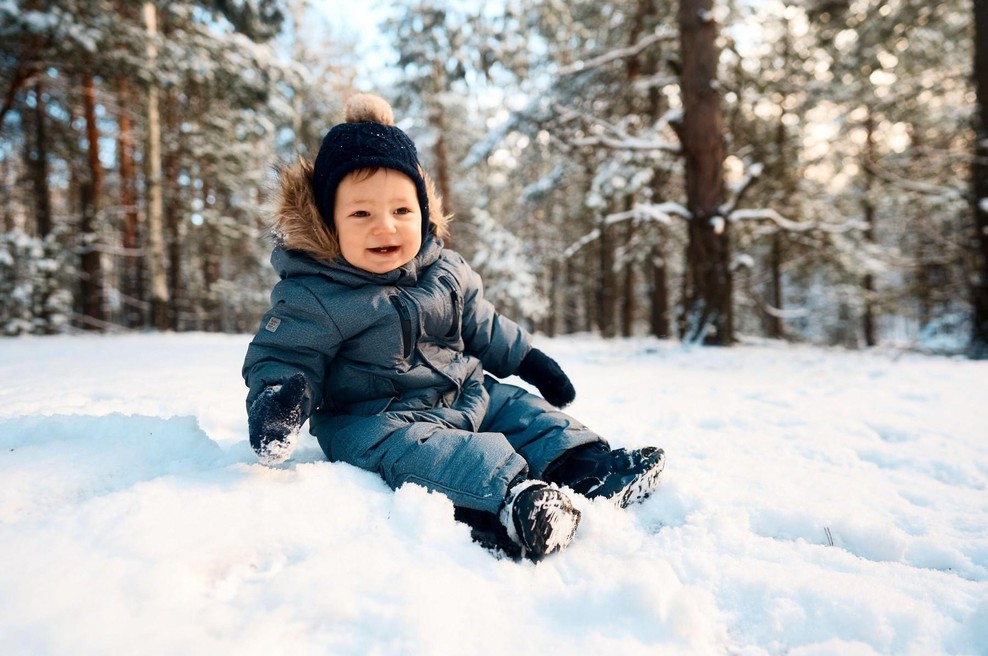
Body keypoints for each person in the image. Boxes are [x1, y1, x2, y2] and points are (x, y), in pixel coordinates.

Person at [242, 94, 665, 561]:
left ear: (423, 211)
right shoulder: (315, 293)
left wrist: (528, 359)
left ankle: (588, 469)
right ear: (328, 223)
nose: (385, 226)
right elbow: (285, 354)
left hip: (465, 394)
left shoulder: (445, 271)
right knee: (435, 455)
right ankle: (515, 502)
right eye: (361, 214)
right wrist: (277, 406)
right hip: (377, 422)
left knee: (520, 410)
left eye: (401, 211)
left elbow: (482, 324)